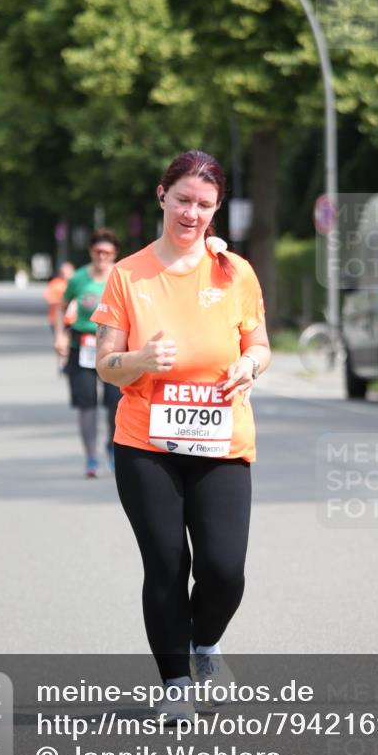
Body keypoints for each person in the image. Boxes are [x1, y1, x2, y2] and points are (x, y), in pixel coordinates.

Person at [91, 150, 270, 723]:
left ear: (215, 211)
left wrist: (252, 366)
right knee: (166, 563)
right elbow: (104, 365)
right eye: (183, 200)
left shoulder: (233, 271)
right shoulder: (128, 274)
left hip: (221, 438)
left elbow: (259, 343)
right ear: (161, 195)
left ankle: (207, 646)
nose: (191, 213)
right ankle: (174, 684)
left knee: (223, 567)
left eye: (204, 205)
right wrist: (139, 357)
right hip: (146, 442)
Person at [54, 230, 122, 478]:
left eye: (107, 252)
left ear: (114, 253)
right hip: (82, 346)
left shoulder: (122, 275)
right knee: (87, 405)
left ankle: (112, 447)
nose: (102, 256)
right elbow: (61, 307)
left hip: (115, 347)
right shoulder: (78, 278)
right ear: (91, 252)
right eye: (98, 251)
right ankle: (91, 457)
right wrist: (60, 335)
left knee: (116, 404)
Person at [44, 262, 75, 333]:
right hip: (56, 319)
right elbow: (49, 298)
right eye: (64, 273)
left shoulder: (75, 284)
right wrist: (64, 301)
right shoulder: (55, 284)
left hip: (73, 321)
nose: (66, 275)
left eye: (69, 273)